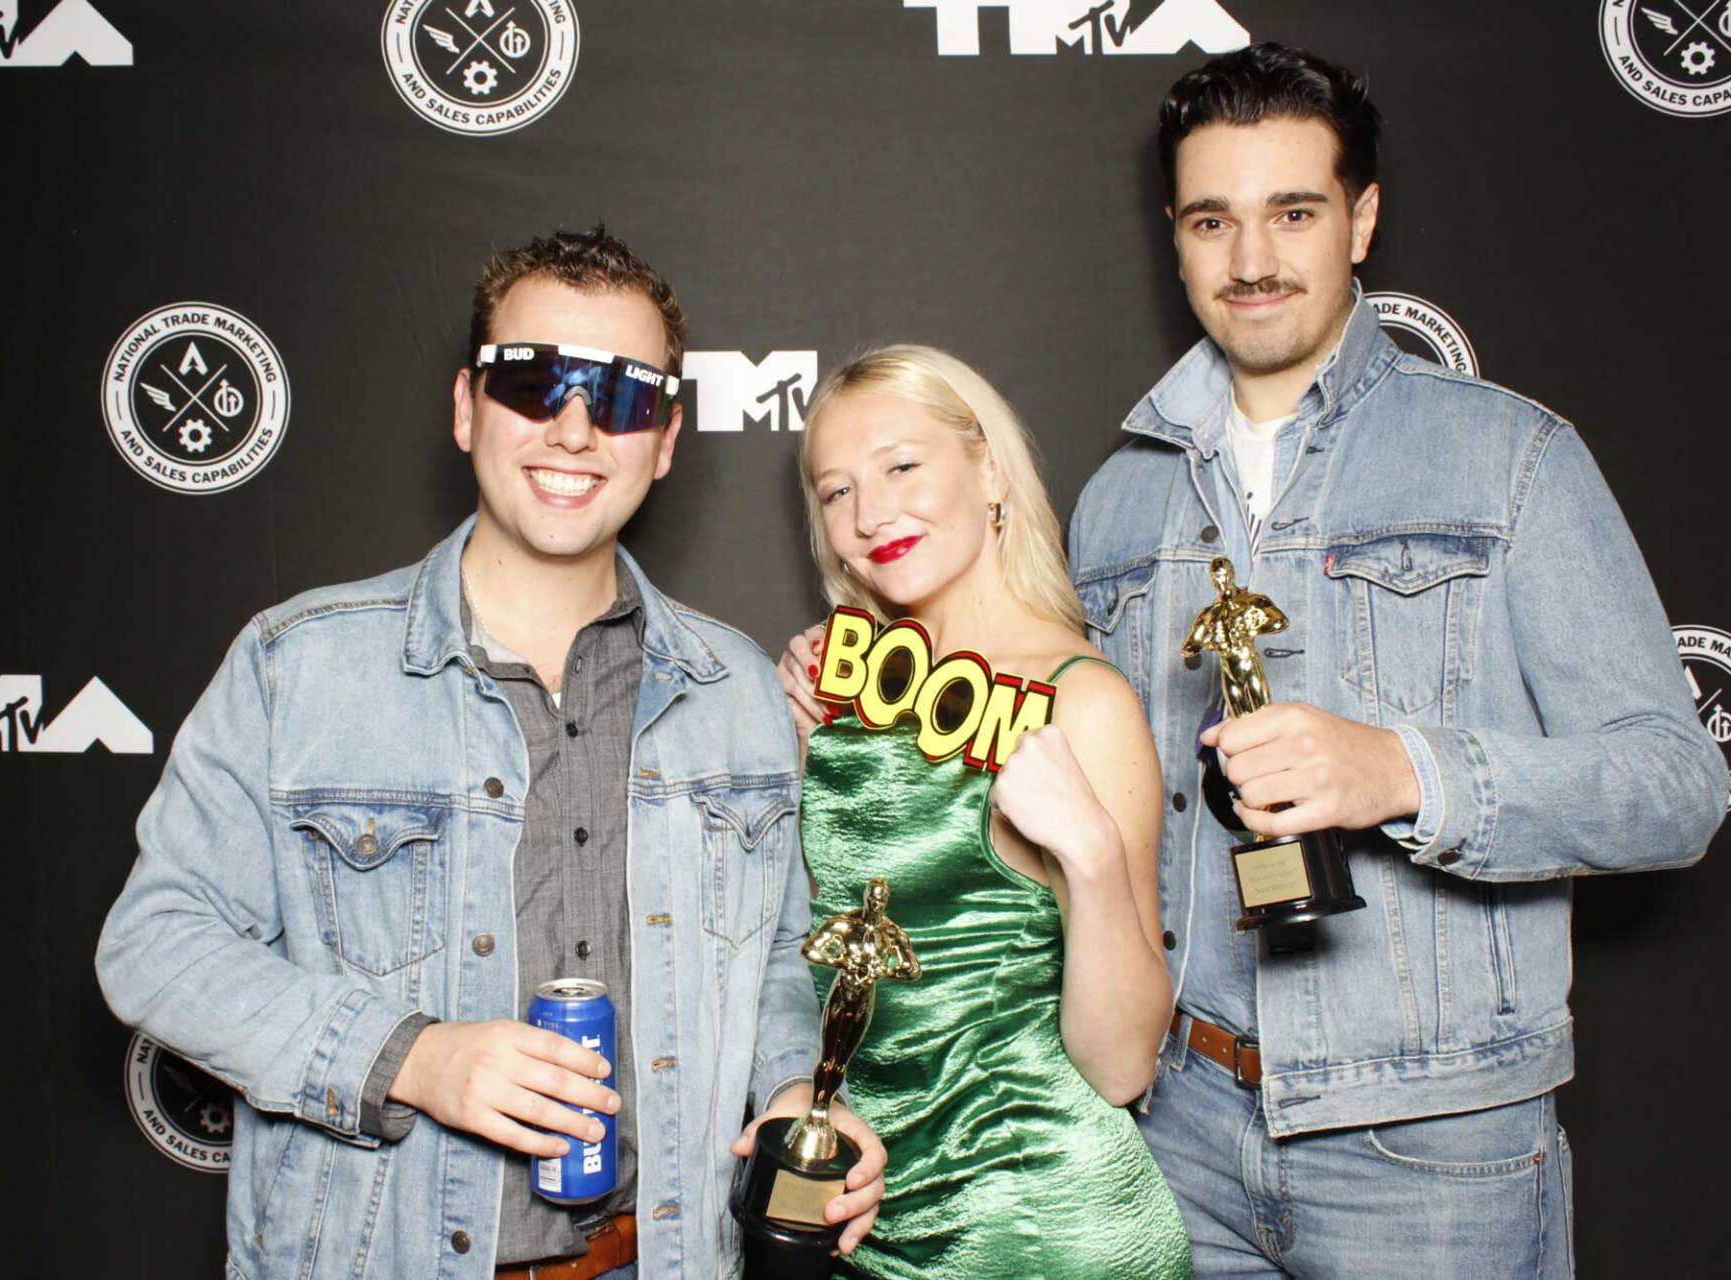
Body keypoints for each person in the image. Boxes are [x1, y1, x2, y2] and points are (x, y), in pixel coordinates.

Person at [96, 227, 886, 1280]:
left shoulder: (732, 686)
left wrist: (798, 1090)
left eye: (622, 396)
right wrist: (413, 1055)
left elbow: (789, 949)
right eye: (533, 381)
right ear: (468, 407)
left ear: (664, 438)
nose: (571, 428)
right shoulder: (300, 665)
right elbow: (153, 944)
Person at [1068, 44, 1728, 1277]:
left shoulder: (1510, 457)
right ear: (1175, 236)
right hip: (1180, 1129)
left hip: (1433, 1146)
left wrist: (1405, 772)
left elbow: (1674, 785)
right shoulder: (1116, 504)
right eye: (1214, 220)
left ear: (1361, 220)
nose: (1252, 259)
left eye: (1294, 212)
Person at [776, 345, 1192, 1279]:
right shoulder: (837, 695)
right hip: (858, 1212)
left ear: (991, 471)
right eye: (835, 491)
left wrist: (1085, 848)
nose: (870, 514)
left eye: (902, 467)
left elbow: (1125, 1068)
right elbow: (809, 967)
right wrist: (802, 756)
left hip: (1034, 1225)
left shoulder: (1081, 699)